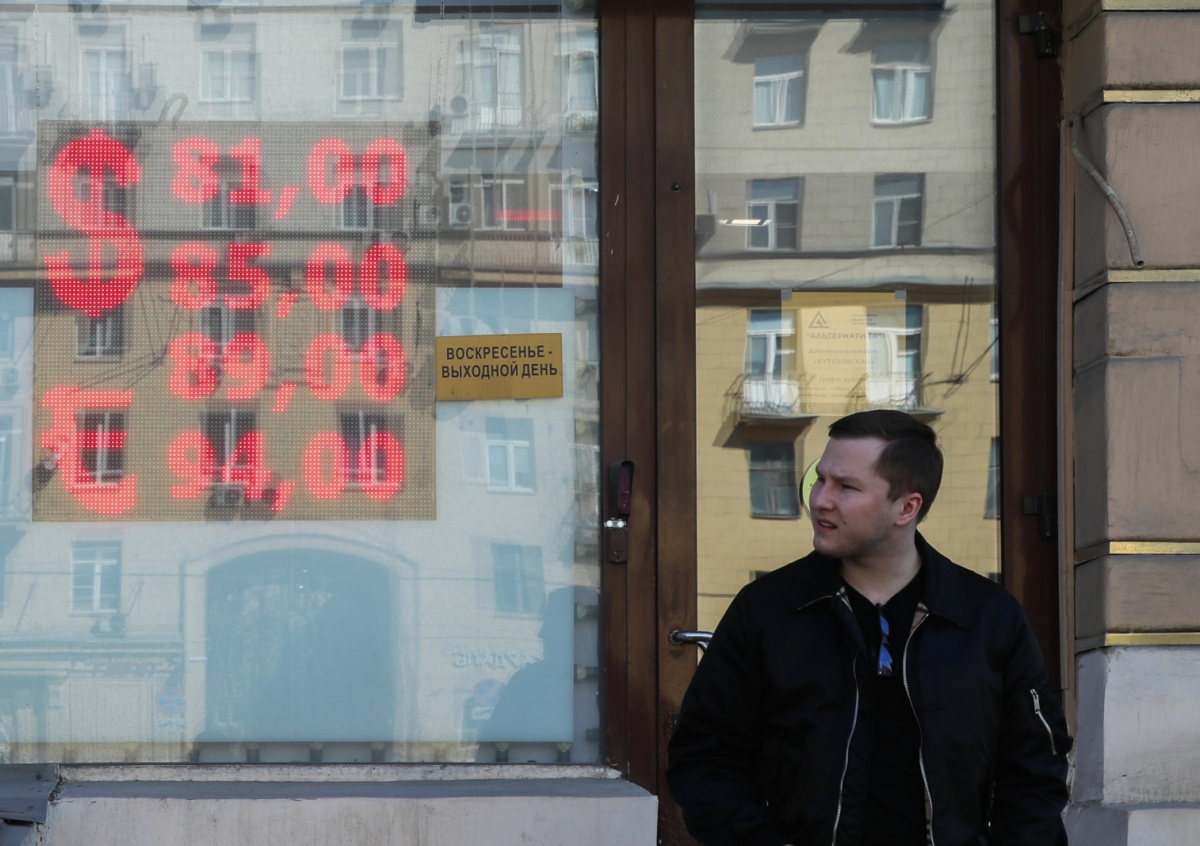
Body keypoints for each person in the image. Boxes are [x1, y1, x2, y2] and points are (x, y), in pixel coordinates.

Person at [667, 409, 1071, 846]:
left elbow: (1035, 770)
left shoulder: (989, 618)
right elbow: (705, 754)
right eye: (820, 479)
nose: (820, 500)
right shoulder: (766, 610)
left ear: (907, 508)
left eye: (847, 487)